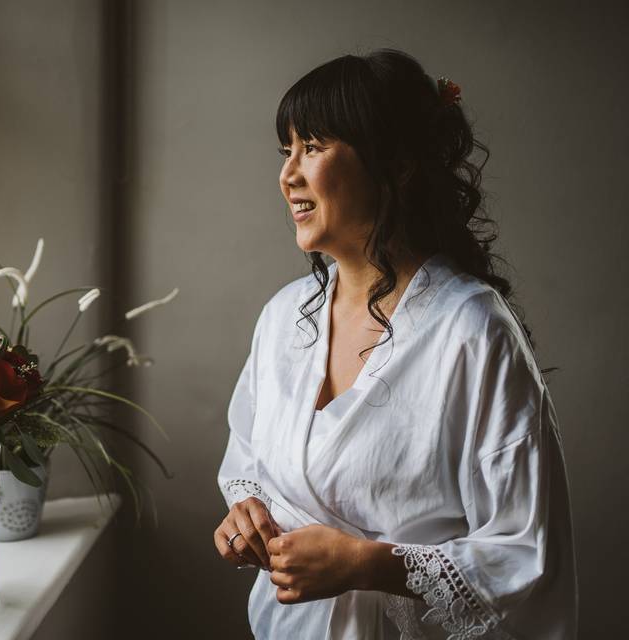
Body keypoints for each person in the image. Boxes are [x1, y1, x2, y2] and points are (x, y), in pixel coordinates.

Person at [213, 49, 577, 639]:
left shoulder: (473, 332)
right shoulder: (284, 318)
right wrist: (247, 518)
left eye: (314, 147)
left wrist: (369, 564)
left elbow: (527, 551)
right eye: (287, 151)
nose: (289, 175)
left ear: (396, 164)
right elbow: (249, 466)